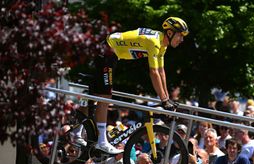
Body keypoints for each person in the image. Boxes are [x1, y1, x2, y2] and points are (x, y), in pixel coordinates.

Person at [75, 17, 189, 154]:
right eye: (180, 35)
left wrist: (167, 99)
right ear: (170, 33)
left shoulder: (162, 44)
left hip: (111, 53)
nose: (182, 40)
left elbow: (161, 71)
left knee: (97, 95)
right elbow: (153, 73)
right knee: (105, 97)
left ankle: (76, 131)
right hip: (106, 51)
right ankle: (101, 141)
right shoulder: (154, 42)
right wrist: (164, 100)